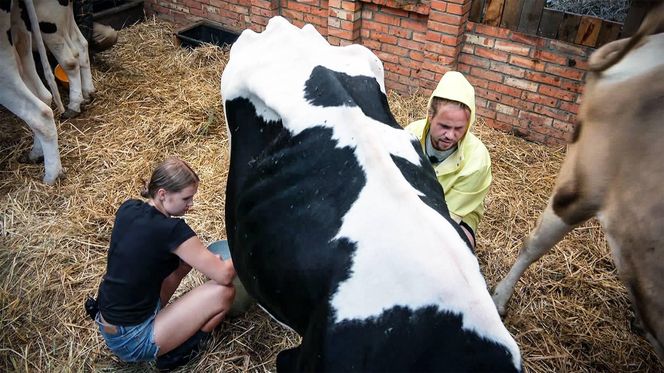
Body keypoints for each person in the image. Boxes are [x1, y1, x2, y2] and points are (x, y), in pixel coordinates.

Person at [94, 157, 236, 370]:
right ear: (163, 194)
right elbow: (224, 275)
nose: (191, 205)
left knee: (184, 264)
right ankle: (176, 355)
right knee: (225, 293)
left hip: (108, 322)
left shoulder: (128, 209)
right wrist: (247, 249)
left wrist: (191, 261)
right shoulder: (173, 230)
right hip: (133, 339)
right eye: (186, 198)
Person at [405, 71, 492, 249]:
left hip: (452, 215)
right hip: (408, 203)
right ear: (430, 115)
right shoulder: (409, 135)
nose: (450, 135)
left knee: (458, 246)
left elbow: (449, 217)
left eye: (459, 128)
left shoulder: (477, 159)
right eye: (444, 126)